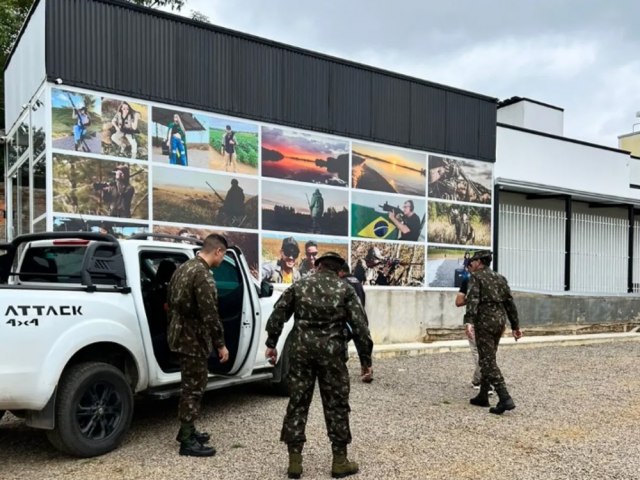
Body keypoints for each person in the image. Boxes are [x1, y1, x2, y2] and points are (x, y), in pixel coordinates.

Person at [264, 252, 373, 479]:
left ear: (318, 265)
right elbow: (361, 326)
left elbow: (278, 314)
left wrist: (271, 344)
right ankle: (339, 461)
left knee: (298, 403)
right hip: (332, 355)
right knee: (336, 404)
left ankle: (295, 462)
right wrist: (366, 361)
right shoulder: (345, 290)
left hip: (301, 353)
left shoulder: (300, 285)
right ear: (339, 270)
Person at [167, 234, 230, 456]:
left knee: (189, 384)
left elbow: (171, 301)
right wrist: (220, 345)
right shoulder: (203, 275)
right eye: (224, 255)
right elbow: (210, 315)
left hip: (179, 334)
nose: (222, 261)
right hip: (192, 339)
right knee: (193, 388)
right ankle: (186, 440)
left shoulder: (184, 268)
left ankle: (189, 429)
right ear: (218, 251)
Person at [464, 250, 523, 415]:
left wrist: (469, 322)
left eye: (473, 261)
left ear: (480, 262)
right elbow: (510, 303)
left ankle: (504, 397)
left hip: (484, 323)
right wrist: (515, 326)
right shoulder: (500, 278)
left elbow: (473, 300)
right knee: (488, 356)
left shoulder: (477, 277)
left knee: (488, 361)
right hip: (499, 322)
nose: (471, 264)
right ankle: (483, 395)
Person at [338, 263, 372, 383]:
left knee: (340, 343)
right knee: (363, 345)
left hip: (347, 319)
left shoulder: (342, 282)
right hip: (360, 317)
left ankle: (339, 371)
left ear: (341, 271)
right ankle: (367, 369)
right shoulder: (356, 280)